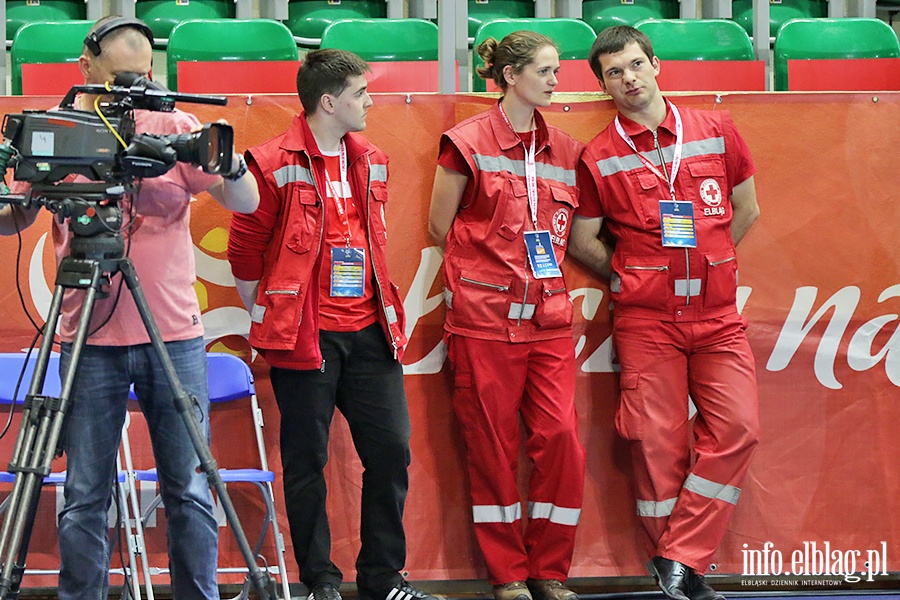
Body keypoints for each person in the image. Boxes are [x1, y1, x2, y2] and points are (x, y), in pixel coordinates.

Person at [0, 15, 259, 600]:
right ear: (86, 66)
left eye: (140, 76)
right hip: (87, 334)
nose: (130, 91)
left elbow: (246, 201)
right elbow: (14, 217)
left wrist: (229, 161)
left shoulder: (177, 125)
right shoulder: (60, 128)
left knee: (189, 487)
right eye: (119, 77)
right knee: (85, 489)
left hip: (173, 333)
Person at [227, 49, 436, 600]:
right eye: (361, 93)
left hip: (372, 329)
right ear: (329, 101)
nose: (370, 101)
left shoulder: (374, 158)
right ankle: (320, 580)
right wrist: (277, 312)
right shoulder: (270, 161)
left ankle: (383, 578)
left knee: (392, 452)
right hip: (304, 335)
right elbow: (245, 254)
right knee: (306, 463)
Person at [568, 25, 761, 600]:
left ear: (656, 65)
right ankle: (684, 578)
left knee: (739, 429)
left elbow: (744, 208)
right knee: (657, 445)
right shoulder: (599, 156)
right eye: (614, 73)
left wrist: (710, 263)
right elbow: (582, 240)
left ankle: (678, 555)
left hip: (718, 316)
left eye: (634, 65)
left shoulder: (715, 128)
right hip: (647, 322)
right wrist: (634, 276)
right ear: (603, 85)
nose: (628, 79)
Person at [428, 31, 586, 600]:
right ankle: (509, 575)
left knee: (561, 439)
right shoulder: (465, 142)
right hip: (485, 322)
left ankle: (550, 570)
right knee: (491, 446)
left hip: (549, 320)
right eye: (544, 70)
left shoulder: (568, 150)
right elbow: (438, 227)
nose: (555, 79)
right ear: (510, 76)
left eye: (557, 69)